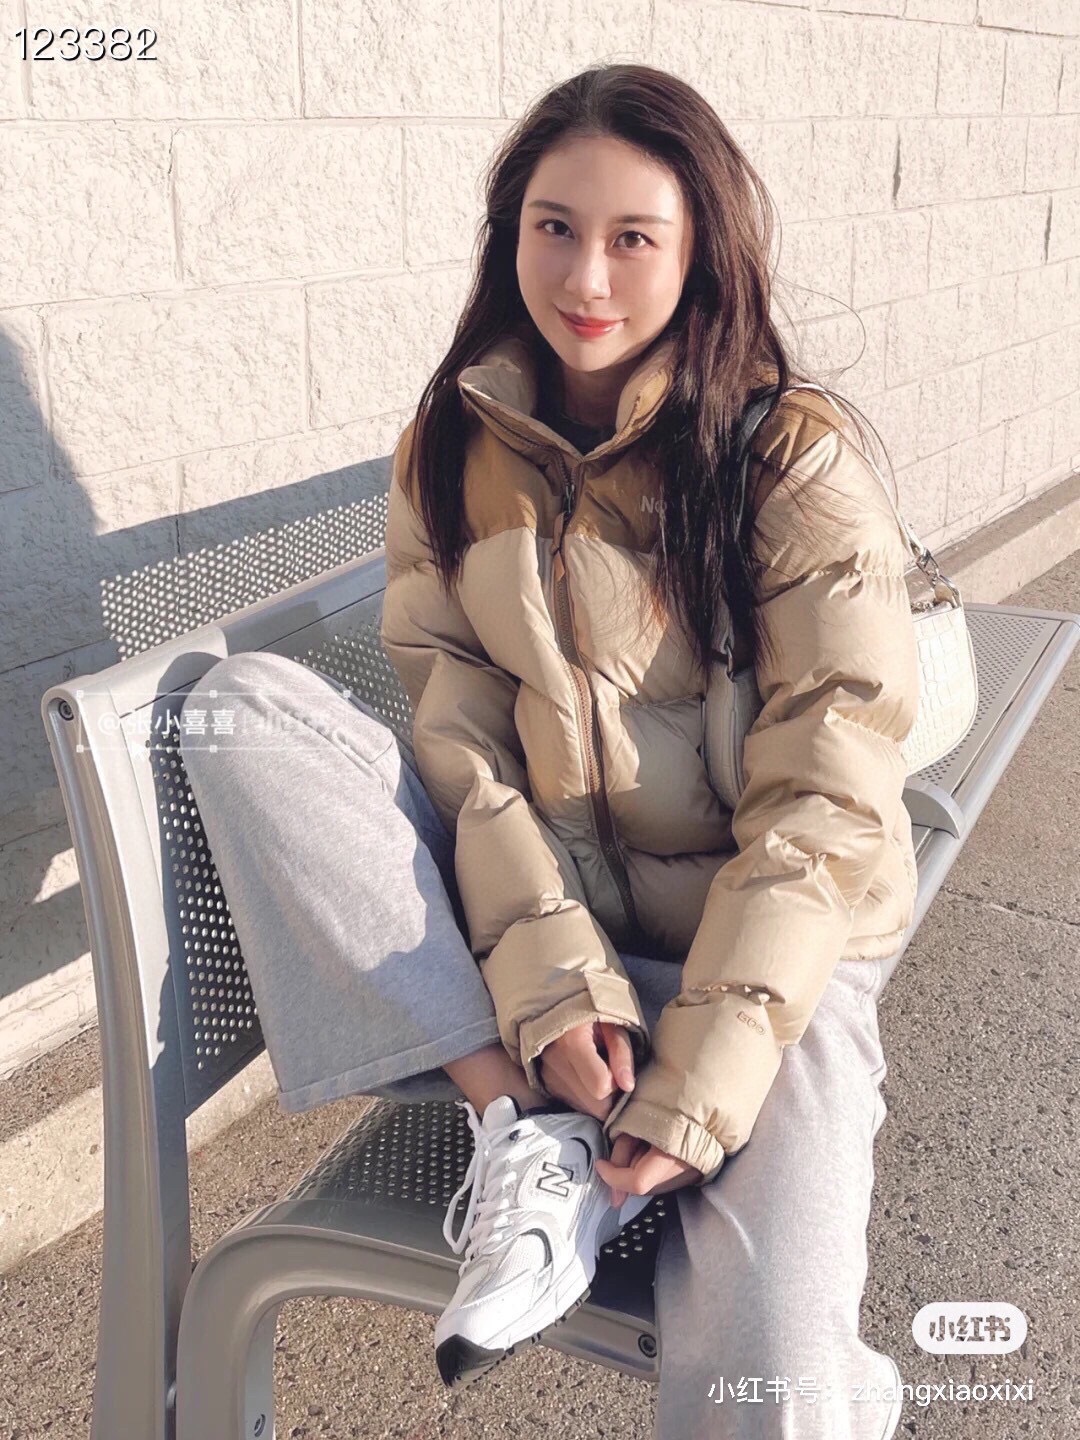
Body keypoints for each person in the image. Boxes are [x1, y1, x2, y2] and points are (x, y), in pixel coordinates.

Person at [180, 63, 918, 1438]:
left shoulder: (791, 463)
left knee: (773, 1384)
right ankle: (524, 1123)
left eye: (634, 236)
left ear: (701, 255)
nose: (586, 276)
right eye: (554, 226)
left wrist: (703, 1079)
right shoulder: (450, 449)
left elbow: (827, 806)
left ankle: (803, 1339)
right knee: (243, 710)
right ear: (508, 232)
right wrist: (552, 988)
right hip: (536, 941)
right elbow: (463, 747)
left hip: (770, 962)